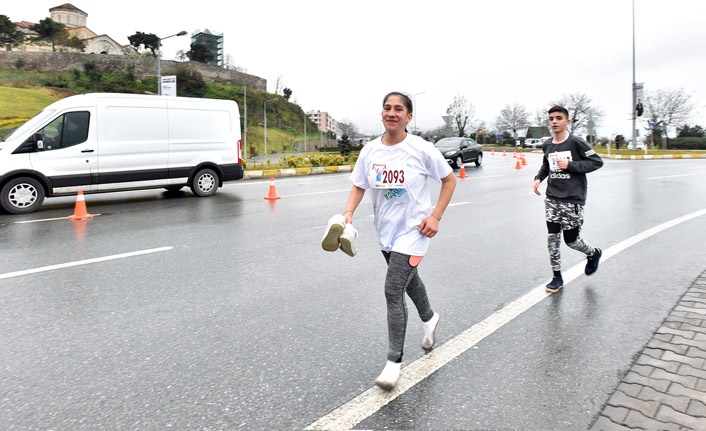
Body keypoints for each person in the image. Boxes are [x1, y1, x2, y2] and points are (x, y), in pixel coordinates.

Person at [326, 92, 456, 390]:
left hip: (414, 233)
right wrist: (348, 214)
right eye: (387, 108)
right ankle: (430, 318)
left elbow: (449, 180)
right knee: (411, 282)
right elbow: (359, 185)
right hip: (386, 233)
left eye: (399, 109)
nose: (392, 113)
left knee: (392, 289)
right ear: (382, 114)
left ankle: (393, 362)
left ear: (409, 117)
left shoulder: (421, 149)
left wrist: (435, 216)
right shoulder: (370, 151)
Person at [533, 105, 604, 293]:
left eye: (558, 118)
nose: (554, 121)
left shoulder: (576, 143)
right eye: (551, 118)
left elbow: (597, 162)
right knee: (552, 239)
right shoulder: (547, 144)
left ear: (567, 122)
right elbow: (546, 165)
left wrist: (570, 165)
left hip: (572, 200)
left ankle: (593, 253)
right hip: (552, 198)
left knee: (571, 241)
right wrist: (538, 178)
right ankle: (557, 277)